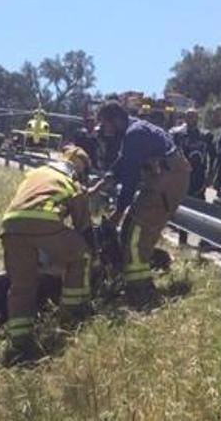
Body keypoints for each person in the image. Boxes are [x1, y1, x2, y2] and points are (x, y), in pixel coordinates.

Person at [0, 146, 95, 366]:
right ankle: (72, 314)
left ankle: (20, 342)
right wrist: (91, 247)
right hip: (43, 222)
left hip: (11, 225)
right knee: (81, 256)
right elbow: (83, 226)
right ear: (80, 168)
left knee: (22, 285)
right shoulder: (72, 182)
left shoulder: (37, 173)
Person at [91, 101, 191, 308]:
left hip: (167, 180)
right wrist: (103, 182)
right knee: (128, 229)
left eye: (106, 124)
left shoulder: (134, 134)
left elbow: (129, 178)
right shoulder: (134, 129)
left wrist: (118, 212)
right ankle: (133, 283)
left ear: (116, 120)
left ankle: (141, 294)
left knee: (136, 234)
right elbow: (123, 161)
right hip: (162, 178)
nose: (105, 130)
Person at [171, 108, 215, 245]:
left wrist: (211, 175)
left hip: (199, 178)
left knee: (202, 208)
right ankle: (182, 240)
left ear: (198, 118)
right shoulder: (177, 134)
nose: (191, 119)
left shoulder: (205, 135)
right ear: (185, 118)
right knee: (183, 207)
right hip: (181, 176)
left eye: (194, 117)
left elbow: (213, 156)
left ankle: (204, 240)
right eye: (189, 117)